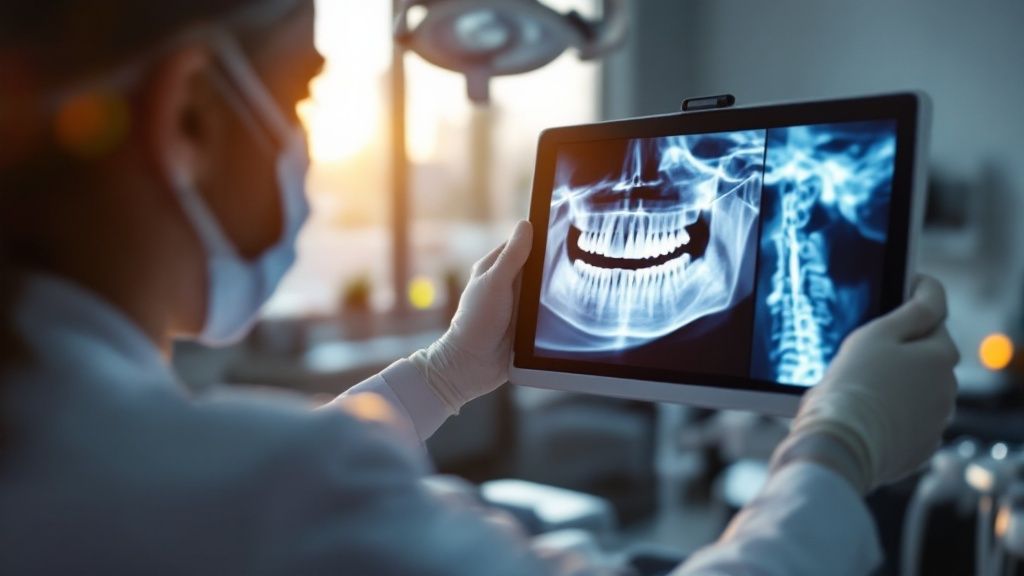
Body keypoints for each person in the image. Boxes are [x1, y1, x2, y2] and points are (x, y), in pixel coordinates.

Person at [0, 1, 959, 574]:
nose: (303, 151)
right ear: (191, 119)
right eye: (300, 99)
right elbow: (270, 496)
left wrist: (443, 375)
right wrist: (836, 454)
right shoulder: (281, 495)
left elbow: (224, 490)